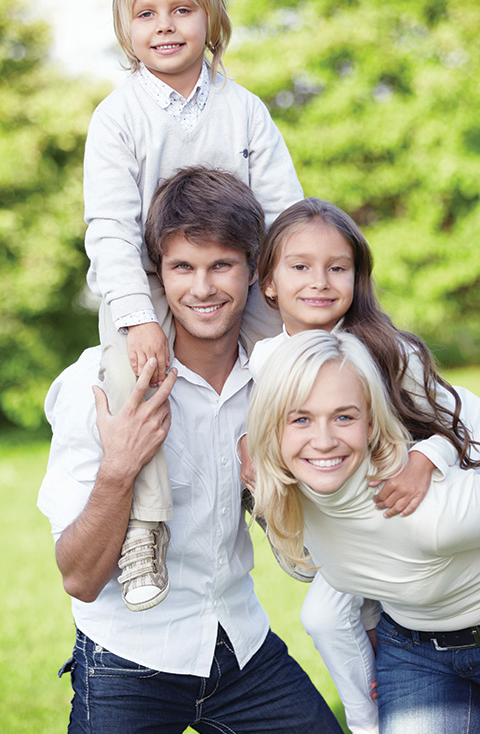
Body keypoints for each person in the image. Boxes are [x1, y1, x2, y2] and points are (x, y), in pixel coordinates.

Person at [38, 168, 342, 734]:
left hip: (240, 645)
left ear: (254, 271)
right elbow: (78, 577)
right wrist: (119, 470)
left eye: (221, 265)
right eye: (183, 267)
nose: (202, 288)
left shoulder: (277, 380)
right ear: (158, 274)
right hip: (128, 659)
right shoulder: (98, 385)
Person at [83, 0, 302, 610]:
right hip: (148, 283)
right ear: (127, 30)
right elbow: (110, 228)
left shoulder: (244, 111)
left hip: (236, 274)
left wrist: (294, 299)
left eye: (183, 9)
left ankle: (267, 488)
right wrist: (140, 318)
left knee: (288, 356)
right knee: (131, 372)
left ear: (212, 19)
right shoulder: (118, 116)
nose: (166, 25)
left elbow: (285, 209)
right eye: (147, 14)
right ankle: (144, 526)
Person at [240, 196, 473, 734]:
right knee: (323, 615)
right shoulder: (268, 360)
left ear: (357, 277)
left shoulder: (385, 349)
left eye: (337, 268)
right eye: (300, 267)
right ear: (268, 282)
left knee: (371, 603)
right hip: (348, 535)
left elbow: (465, 413)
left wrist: (424, 457)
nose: (319, 281)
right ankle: (368, 720)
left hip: (409, 507)